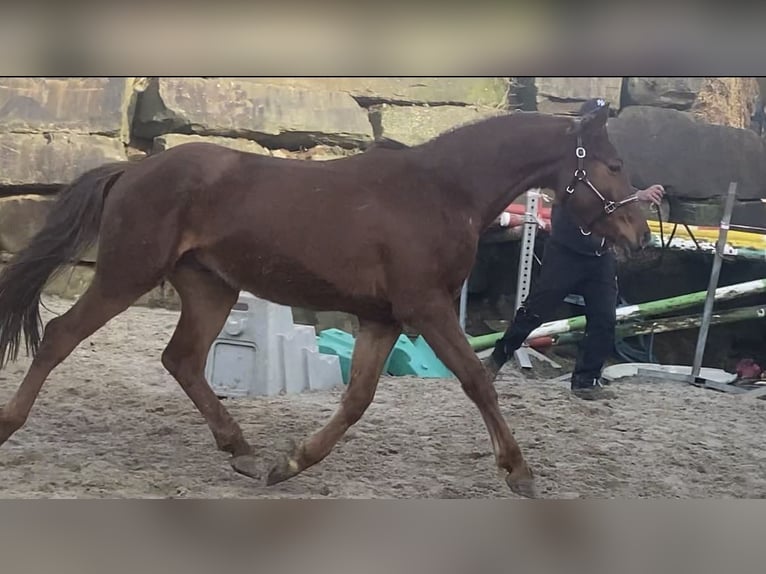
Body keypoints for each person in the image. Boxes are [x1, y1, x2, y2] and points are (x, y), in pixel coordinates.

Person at [485, 98, 665, 400]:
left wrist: (639, 195)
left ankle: (585, 381)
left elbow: (612, 190)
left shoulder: (603, 155)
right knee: (535, 311)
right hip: (567, 250)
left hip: (598, 253)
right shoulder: (570, 157)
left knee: (604, 318)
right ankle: (497, 358)